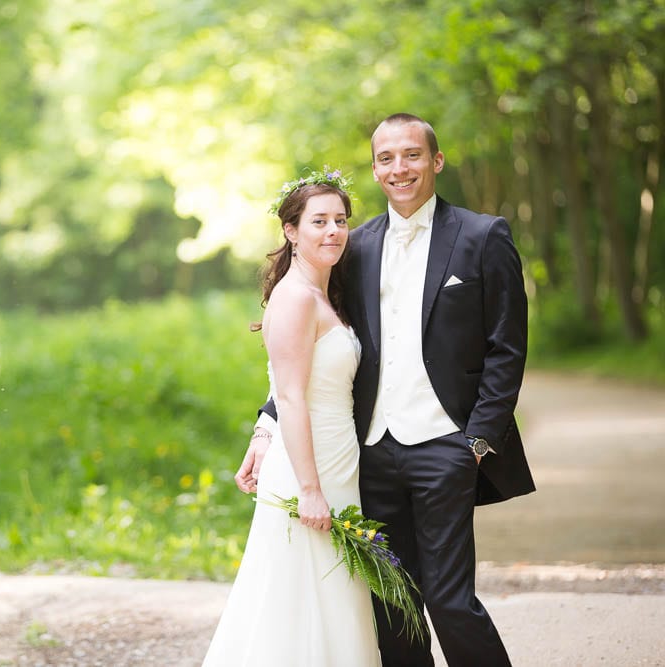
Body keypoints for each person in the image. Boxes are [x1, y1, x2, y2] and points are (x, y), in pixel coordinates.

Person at [242, 114, 535, 667]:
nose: (399, 168)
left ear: (435, 161)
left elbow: (507, 349)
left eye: (411, 155)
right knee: (392, 603)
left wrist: (476, 442)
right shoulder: (354, 245)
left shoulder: (482, 236)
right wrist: (267, 423)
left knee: (449, 602)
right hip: (367, 453)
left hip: (447, 447)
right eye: (386, 158)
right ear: (375, 169)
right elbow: (306, 356)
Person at [202, 171, 382, 666]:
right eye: (318, 221)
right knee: (294, 598)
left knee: (332, 596)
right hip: (309, 467)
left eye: (341, 220)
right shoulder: (297, 296)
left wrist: (262, 429)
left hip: (337, 458)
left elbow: (285, 384)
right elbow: (291, 395)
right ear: (290, 231)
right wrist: (309, 488)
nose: (333, 232)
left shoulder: (324, 292)